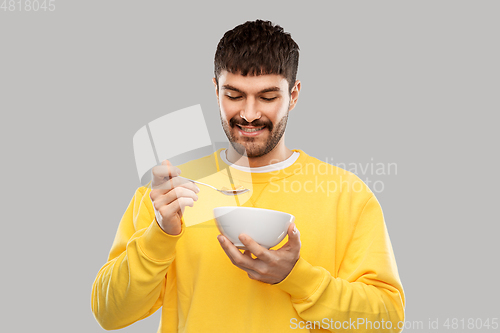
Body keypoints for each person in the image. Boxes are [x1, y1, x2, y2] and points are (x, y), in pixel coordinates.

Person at [92, 20, 405, 332]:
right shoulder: (170, 193)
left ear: (294, 95)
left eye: (268, 97)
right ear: (216, 90)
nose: (250, 113)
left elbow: (388, 321)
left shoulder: (346, 195)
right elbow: (109, 313)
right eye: (234, 95)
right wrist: (161, 233)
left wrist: (295, 277)